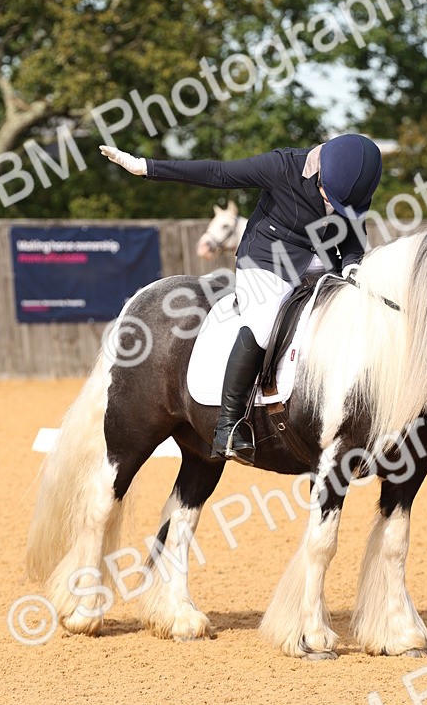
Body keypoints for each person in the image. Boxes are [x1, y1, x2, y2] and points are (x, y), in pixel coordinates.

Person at [100, 134, 382, 464]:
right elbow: (218, 173)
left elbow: (352, 238)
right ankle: (229, 423)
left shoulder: (352, 187)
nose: (329, 204)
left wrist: (352, 265)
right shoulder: (283, 166)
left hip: (323, 265)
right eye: (326, 193)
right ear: (319, 169)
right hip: (268, 261)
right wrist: (147, 168)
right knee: (263, 322)